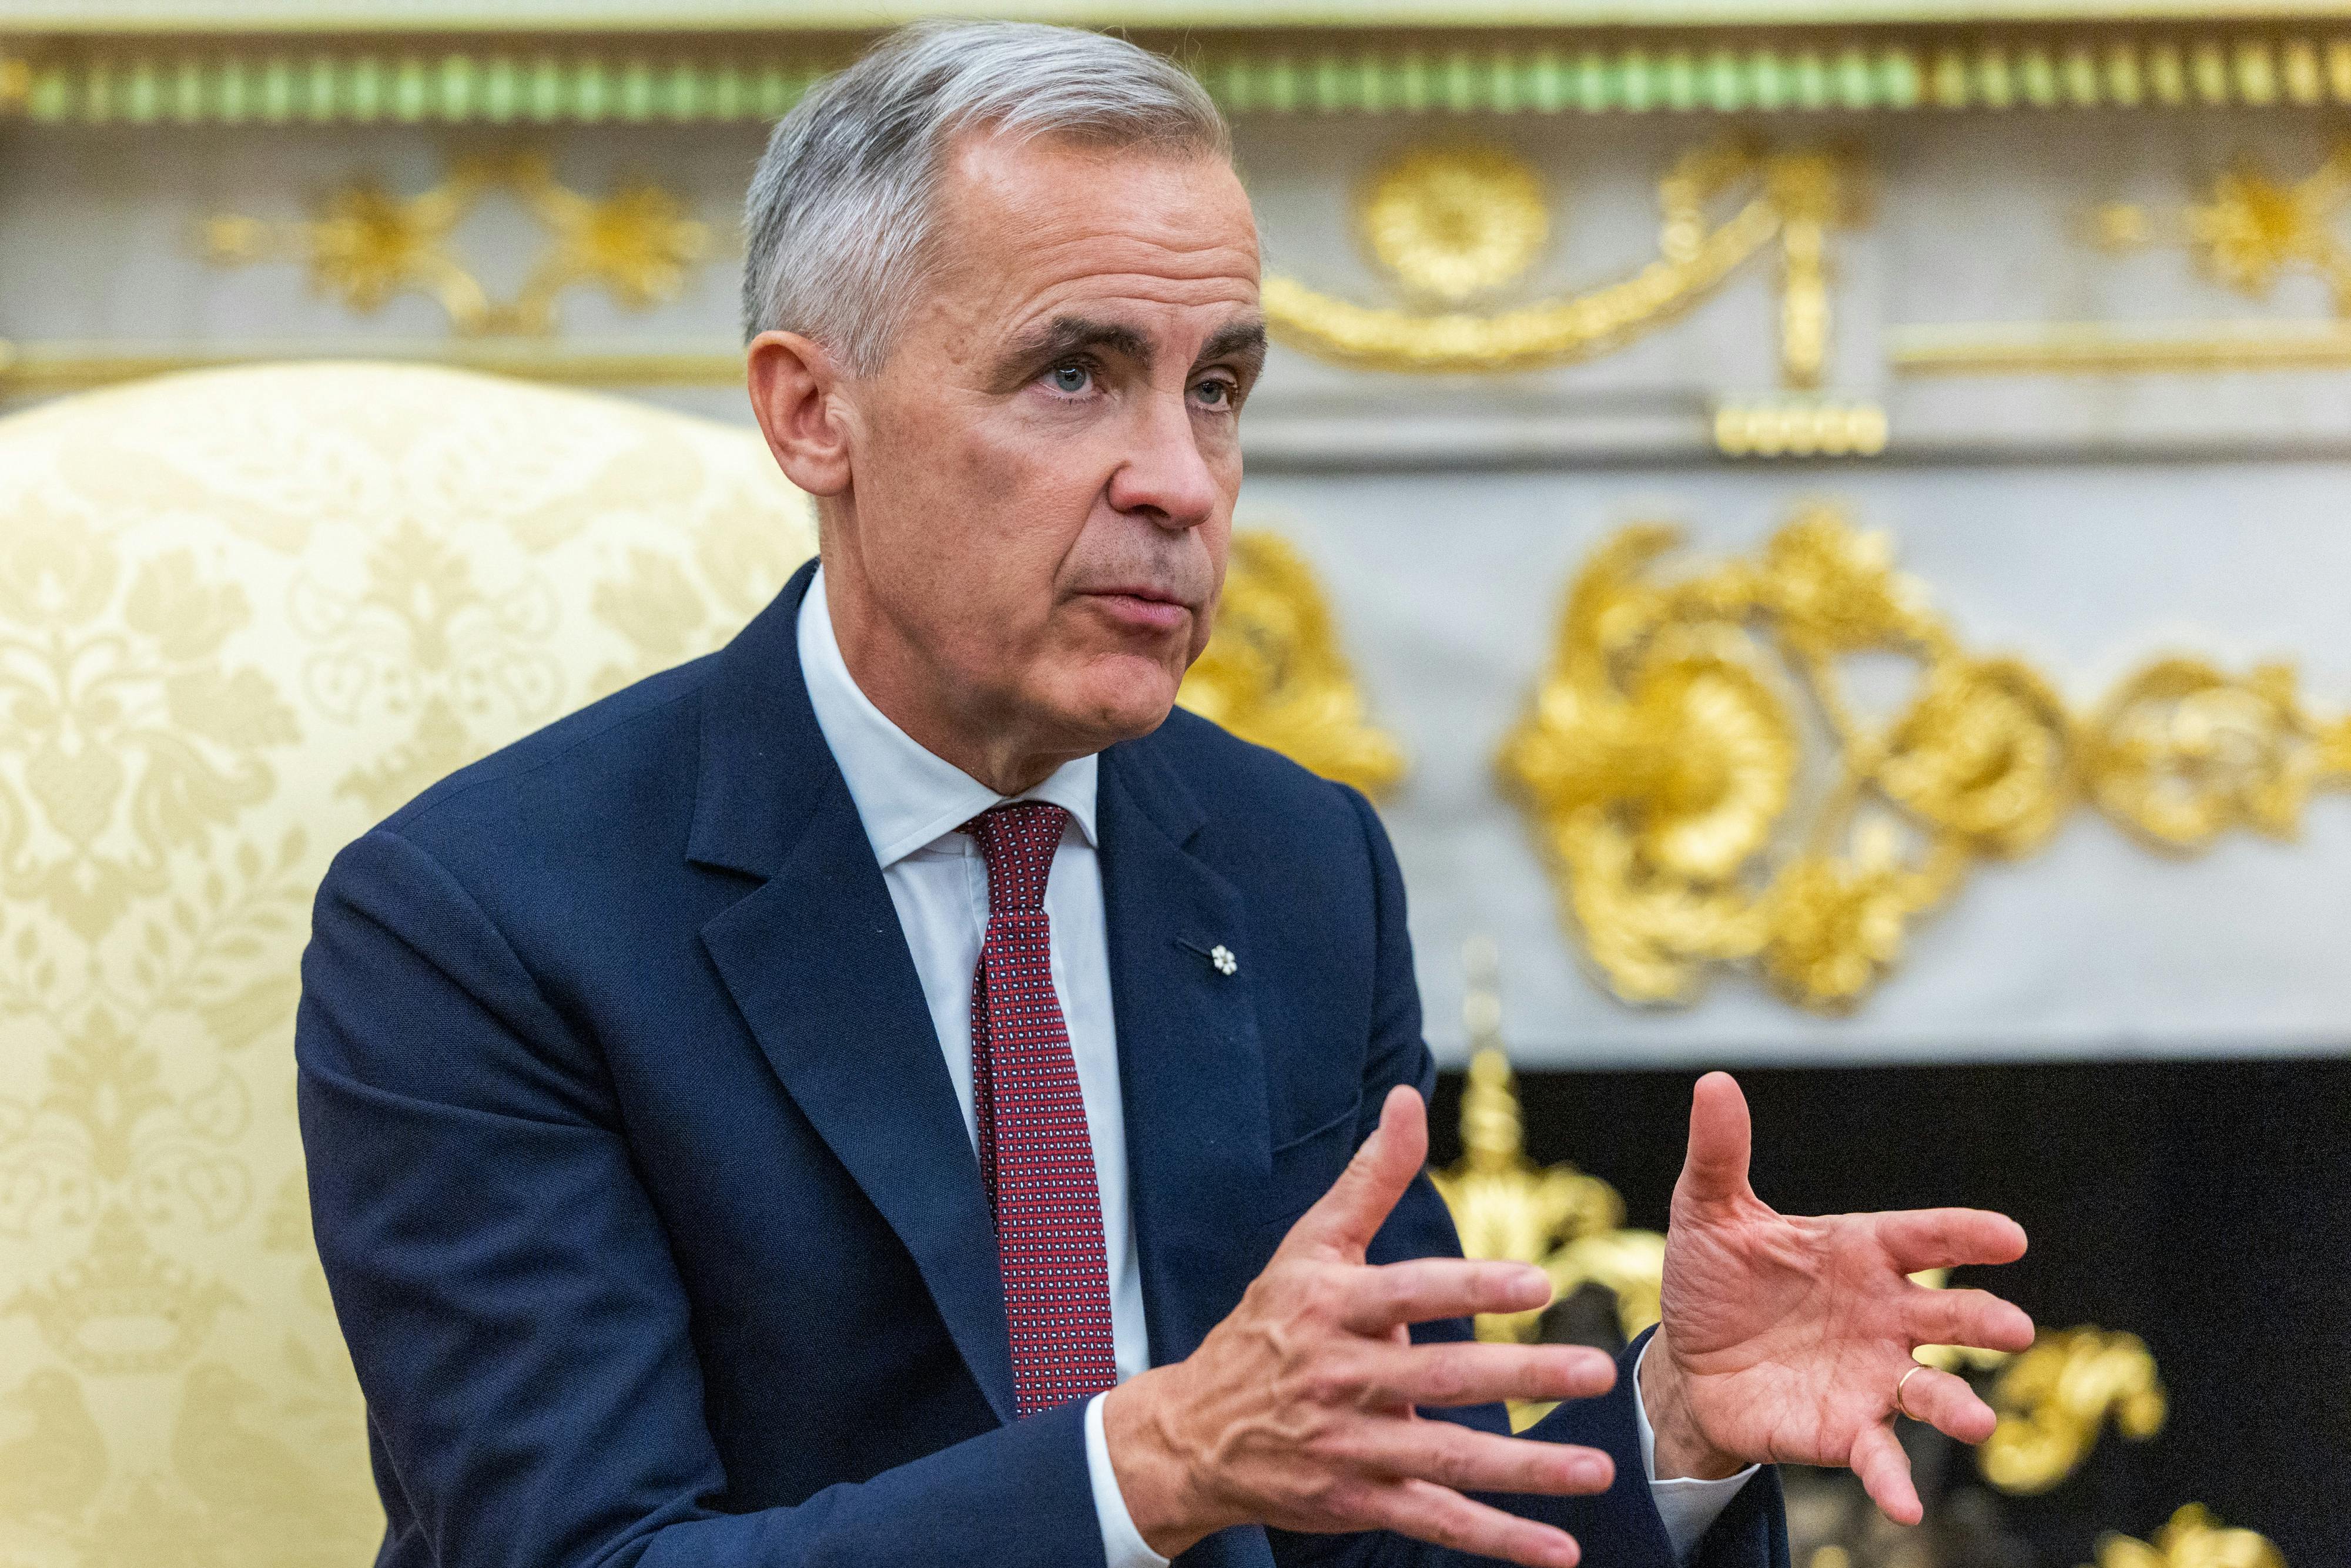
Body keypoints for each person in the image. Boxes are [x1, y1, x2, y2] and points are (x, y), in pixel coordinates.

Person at [294, 21, 2035, 1568]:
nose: (1182, 483)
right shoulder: (482, 923)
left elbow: (1386, 1522)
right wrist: (1154, 1462)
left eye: (1218, 388)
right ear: (812, 413)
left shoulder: (1294, 863)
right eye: (1077, 373)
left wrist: (1670, 1426)